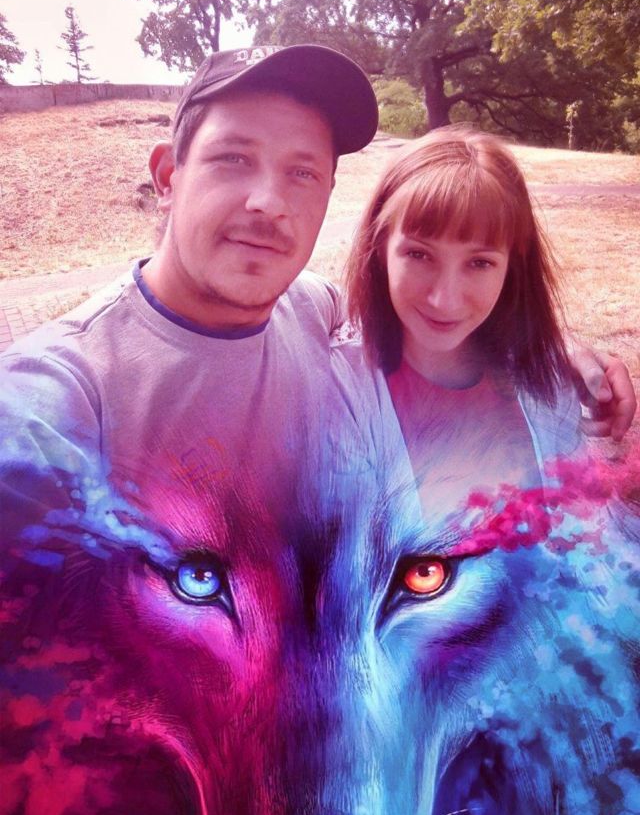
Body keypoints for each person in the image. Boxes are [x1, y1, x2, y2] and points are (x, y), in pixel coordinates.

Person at [0, 47, 634, 555]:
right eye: (233, 158)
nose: (269, 202)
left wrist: (556, 349)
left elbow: (431, 314)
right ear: (168, 176)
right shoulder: (55, 400)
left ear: (329, 193)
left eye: (302, 173)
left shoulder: (309, 309)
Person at [342, 125, 633, 523]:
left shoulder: (547, 386)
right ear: (379, 249)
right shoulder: (339, 395)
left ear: (513, 265)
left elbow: (578, 529)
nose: (444, 299)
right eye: (419, 255)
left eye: (479, 263)